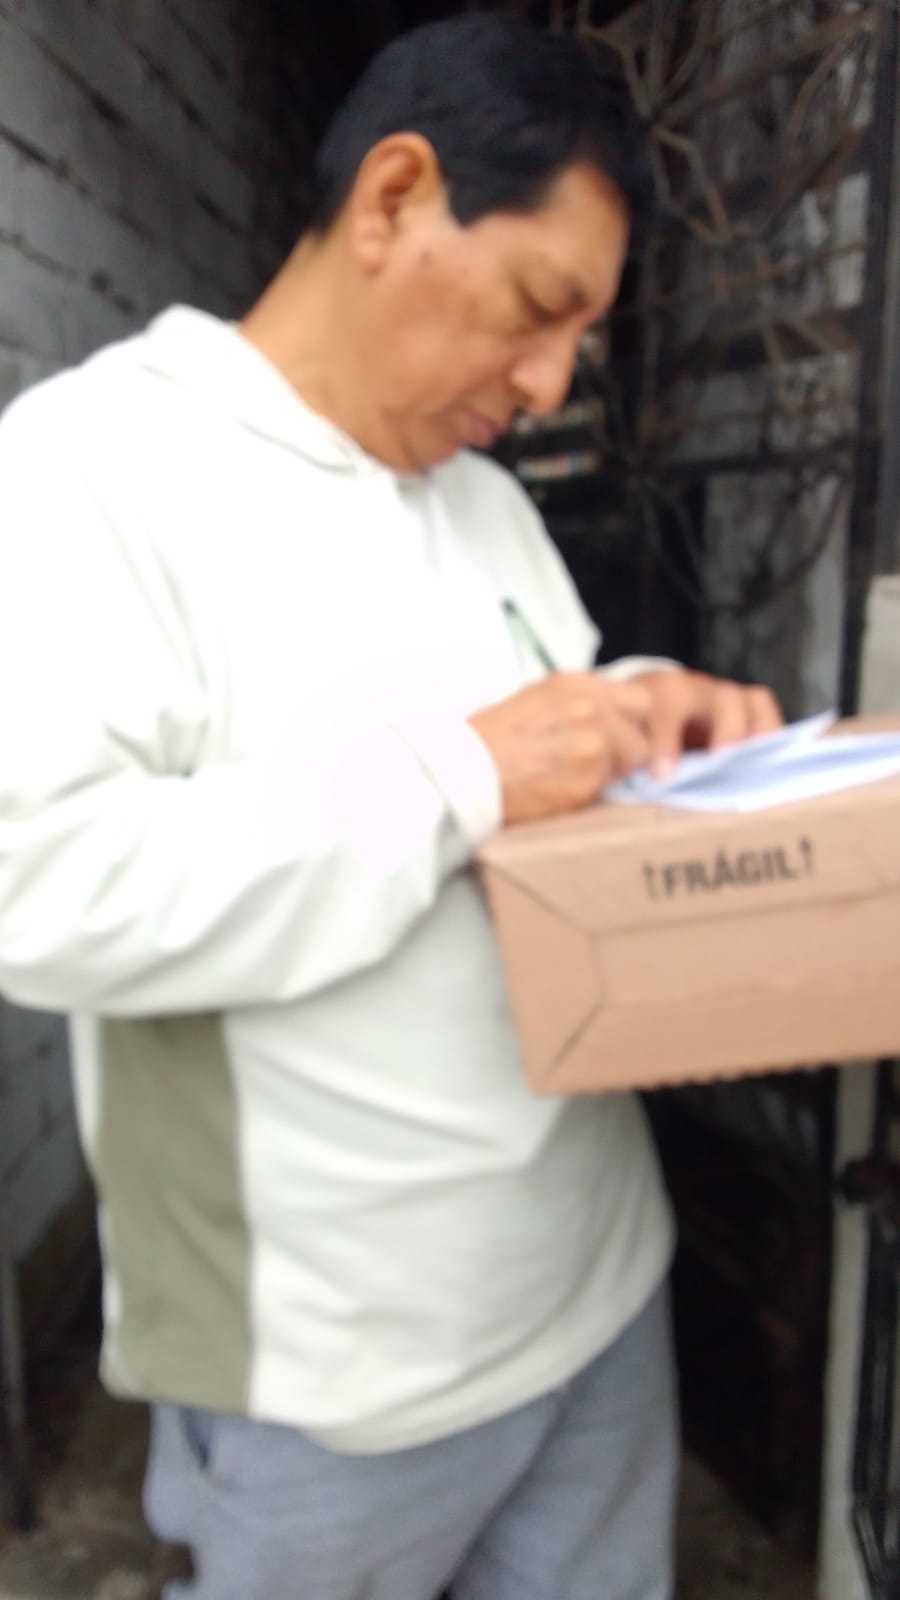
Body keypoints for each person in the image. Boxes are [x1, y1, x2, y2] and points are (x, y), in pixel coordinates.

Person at [0, 14, 781, 1599]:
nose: (550, 383)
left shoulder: (483, 500)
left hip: (598, 1287)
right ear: (395, 197)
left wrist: (642, 709)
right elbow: (43, 887)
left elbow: (538, 719)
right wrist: (465, 770)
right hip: (334, 1391)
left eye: (583, 338)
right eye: (539, 309)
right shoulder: (94, 467)